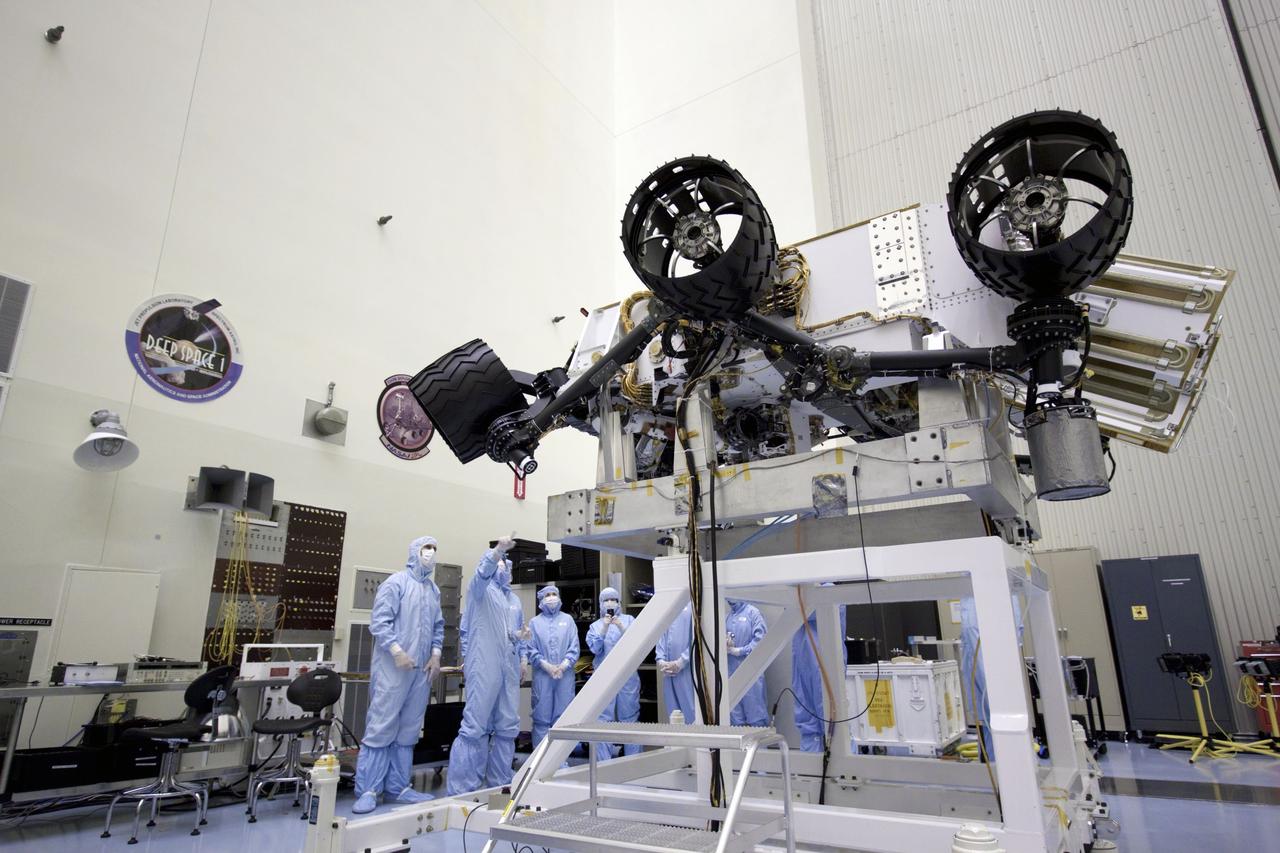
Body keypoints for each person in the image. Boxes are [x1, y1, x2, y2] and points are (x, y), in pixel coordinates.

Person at [352, 535, 445, 814]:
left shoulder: (433, 590)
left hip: (420, 672)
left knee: (408, 731)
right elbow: (380, 622)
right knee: (382, 727)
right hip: (393, 670)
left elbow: (438, 626)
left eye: (434, 549)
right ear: (414, 552)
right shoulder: (396, 583)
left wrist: (436, 656)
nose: (430, 553)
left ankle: (398, 787)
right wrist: (396, 650)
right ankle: (368, 789)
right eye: (426, 548)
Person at [446, 538, 529, 795]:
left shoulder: (512, 600)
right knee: (476, 725)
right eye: (502, 565)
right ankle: (464, 788)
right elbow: (482, 573)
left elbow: (510, 632)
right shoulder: (480, 590)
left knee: (506, 724)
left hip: (508, 666)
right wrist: (497, 552)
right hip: (484, 664)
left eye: (507, 566)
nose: (505, 569)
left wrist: (521, 648)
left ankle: (500, 780)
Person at [959, 593, 1025, 761]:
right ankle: (998, 770)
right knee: (990, 714)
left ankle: (1011, 768)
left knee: (997, 707)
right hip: (979, 624)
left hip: (984, 624)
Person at [586, 587, 641, 758]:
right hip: (604, 677)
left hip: (627, 676)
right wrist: (603, 628)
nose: (610, 603)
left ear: (619, 602)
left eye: (614, 599)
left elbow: (638, 643)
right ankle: (604, 763)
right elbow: (595, 649)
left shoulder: (629, 620)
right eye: (606, 600)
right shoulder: (595, 626)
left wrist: (621, 627)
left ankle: (632, 761)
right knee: (603, 719)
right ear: (601, 604)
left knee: (630, 718)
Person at [791, 594, 847, 753]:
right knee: (807, 718)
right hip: (802, 665)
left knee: (833, 719)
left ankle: (843, 770)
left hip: (825, 666)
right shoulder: (799, 593)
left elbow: (806, 611)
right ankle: (811, 772)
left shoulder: (830, 590)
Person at [526, 584, 579, 749]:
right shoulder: (535, 622)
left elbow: (574, 646)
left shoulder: (568, 620)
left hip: (565, 676)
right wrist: (546, 665)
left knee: (562, 720)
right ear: (541, 600)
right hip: (543, 676)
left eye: (553, 594)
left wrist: (563, 665)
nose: (551, 598)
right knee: (542, 719)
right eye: (547, 595)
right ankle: (539, 763)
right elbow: (530, 648)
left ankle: (559, 762)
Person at [725, 599, 768, 727]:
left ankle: (760, 747)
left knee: (756, 715)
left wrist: (741, 651)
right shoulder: (727, 617)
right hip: (731, 673)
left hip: (751, 672)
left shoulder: (752, 613)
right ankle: (738, 747)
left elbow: (762, 641)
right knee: (735, 717)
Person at [656, 603, 697, 724]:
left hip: (688, 670)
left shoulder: (693, 605)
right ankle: (676, 743)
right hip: (668, 672)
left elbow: (698, 638)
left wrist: (681, 662)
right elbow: (661, 634)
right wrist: (661, 661)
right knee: (673, 713)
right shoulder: (668, 605)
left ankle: (694, 743)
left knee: (691, 712)